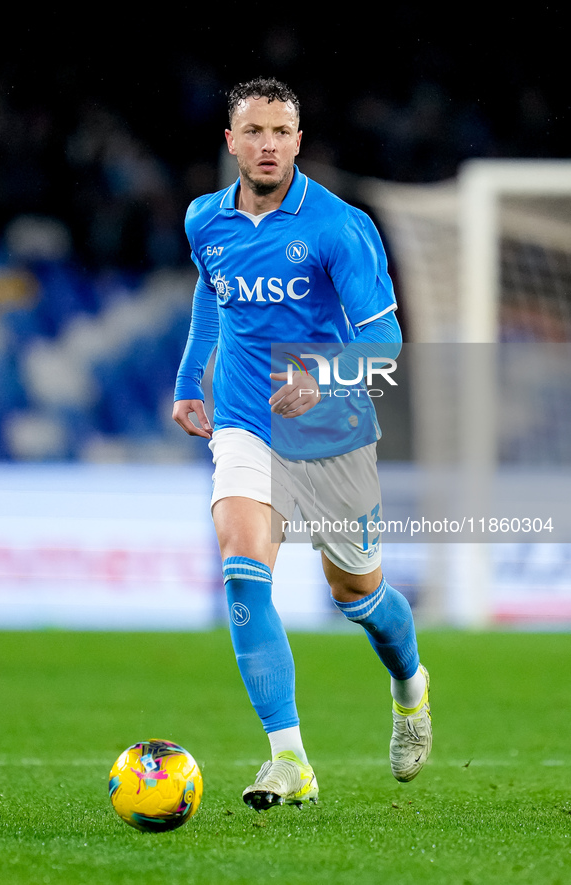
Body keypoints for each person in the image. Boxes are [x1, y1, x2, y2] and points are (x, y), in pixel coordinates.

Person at [173, 77, 431, 811]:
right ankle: (289, 758)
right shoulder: (204, 220)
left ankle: (410, 686)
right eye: (252, 131)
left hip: (332, 429)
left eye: (280, 132)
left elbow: (385, 338)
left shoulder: (338, 227)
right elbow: (210, 289)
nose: (267, 145)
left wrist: (321, 376)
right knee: (242, 568)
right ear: (230, 141)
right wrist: (193, 378)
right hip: (247, 422)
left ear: (297, 141)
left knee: (357, 594)